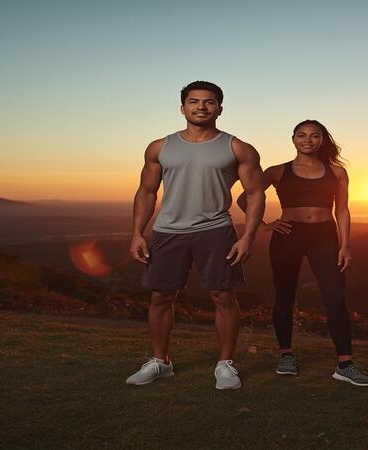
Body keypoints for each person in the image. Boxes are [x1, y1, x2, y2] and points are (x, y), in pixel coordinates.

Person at [127, 81, 265, 390]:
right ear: (183, 108)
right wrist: (136, 233)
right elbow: (146, 191)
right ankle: (160, 362)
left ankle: (225, 365)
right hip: (168, 232)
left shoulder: (237, 148)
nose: (201, 106)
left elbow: (256, 194)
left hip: (215, 231)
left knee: (223, 296)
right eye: (194, 101)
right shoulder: (159, 147)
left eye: (209, 102)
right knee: (161, 296)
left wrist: (248, 236)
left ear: (219, 108)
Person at [238, 119, 368, 387]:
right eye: (301, 135)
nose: (308, 140)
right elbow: (245, 198)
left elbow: (342, 210)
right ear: (293, 139)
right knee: (285, 295)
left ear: (322, 140)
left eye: (314, 136)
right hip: (288, 235)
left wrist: (345, 244)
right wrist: (264, 225)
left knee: (335, 295)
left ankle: (345, 365)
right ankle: (286, 356)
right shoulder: (277, 171)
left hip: (324, 236)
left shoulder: (337, 172)